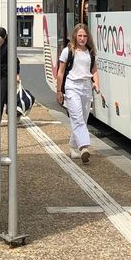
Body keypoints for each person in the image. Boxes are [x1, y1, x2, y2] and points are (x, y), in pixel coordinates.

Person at [55, 23, 101, 163]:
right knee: (78, 118)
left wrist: (96, 83)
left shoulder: (90, 52)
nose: (82, 38)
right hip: (72, 86)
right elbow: (61, 72)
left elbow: (94, 70)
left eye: (85, 36)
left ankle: (73, 147)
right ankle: (84, 147)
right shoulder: (68, 51)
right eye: (80, 35)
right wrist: (59, 91)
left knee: (83, 119)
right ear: (75, 36)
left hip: (86, 88)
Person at [0, 27, 21, 120]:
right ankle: (17, 110)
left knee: (0, 98)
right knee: (7, 98)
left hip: (5, 75)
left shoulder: (8, 48)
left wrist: (16, 74)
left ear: (3, 38)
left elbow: (16, 61)